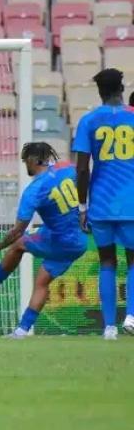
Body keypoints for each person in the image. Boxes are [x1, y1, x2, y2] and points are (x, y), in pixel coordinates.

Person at [0, 143, 87, 338]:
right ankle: (22, 330)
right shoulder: (67, 167)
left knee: (19, 244)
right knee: (41, 281)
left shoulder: (34, 190)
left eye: (25, 161)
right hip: (79, 241)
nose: (25, 166)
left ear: (32, 160)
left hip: (61, 241)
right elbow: (86, 177)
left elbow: (16, 232)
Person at [73, 68, 134, 340]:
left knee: (107, 261)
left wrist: (82, 206)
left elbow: (83, 169)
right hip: (131, 201)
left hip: (101, 203)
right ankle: (131, 316)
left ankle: (109, 327)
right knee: (133, 260)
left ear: (100, 92)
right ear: (122, 89)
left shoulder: (89, 121)